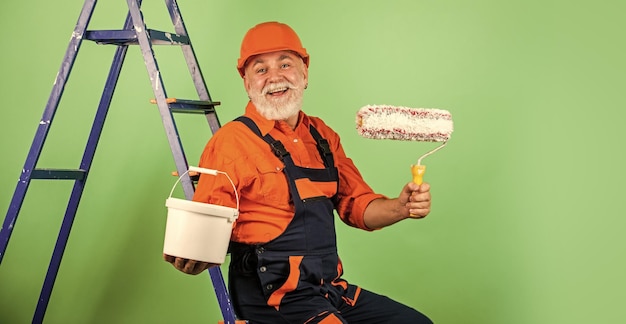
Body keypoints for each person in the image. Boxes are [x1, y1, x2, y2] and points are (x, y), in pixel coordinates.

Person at [164, 21, 434, 324]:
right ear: (247, 83)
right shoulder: (231, 143)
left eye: (285, 64)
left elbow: (356, 205)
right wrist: (194, 252)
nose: (274, 77)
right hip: (271, 295)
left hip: (326, 289)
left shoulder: (323, 136)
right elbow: (207, 224)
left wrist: (400, 207)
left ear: (304, 74)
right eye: (260, 69)